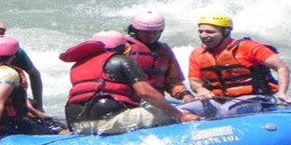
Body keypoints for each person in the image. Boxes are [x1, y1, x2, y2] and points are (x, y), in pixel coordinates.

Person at [61, 30, 200, 135]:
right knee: (169, 114)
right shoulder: (123, 60)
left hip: (78, 124)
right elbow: (146, 93)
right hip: (111, 121)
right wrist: (179, 115)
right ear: (123, 48)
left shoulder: (78, 65)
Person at [179, 13, 291, 118]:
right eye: (201, 31)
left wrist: (282, 92)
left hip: (255, 99)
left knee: (225, 112)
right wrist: (201, 90)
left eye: (210, 32)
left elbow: (281, 67)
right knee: (178, 112)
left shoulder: (249, 47)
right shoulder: (197, 54)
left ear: (226, 31)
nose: (203, 35)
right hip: (218, 100)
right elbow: (195, 82)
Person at [122, 11, 195, 103]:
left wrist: (185, 94)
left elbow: (173, 81)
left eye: (155, 31)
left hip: (156, 103)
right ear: (135, 30)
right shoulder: (123, 47)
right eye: (146, 32)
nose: (151, 35)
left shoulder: (164, 51)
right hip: (128, 101)